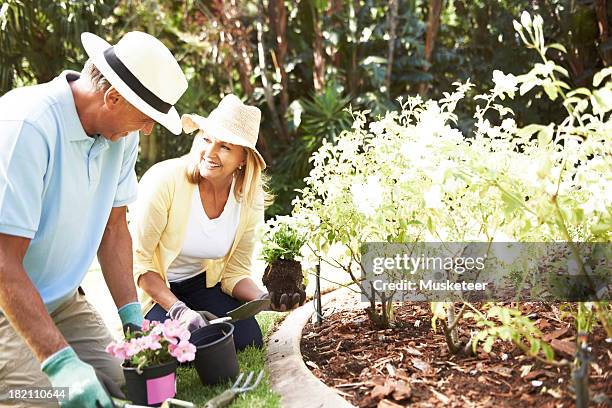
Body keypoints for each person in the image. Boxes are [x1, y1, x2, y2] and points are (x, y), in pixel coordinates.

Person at [0, 31, 188, 408]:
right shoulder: (27, 126)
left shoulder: (121, 133)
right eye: (147, 117)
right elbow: (3, 263)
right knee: (51, 399)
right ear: (113, 97)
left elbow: (115, 230)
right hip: (6, 308)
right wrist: (60, 362)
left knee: (134, 382)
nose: (149, 129)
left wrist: (134, 321)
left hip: (63, 302)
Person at [131, 94, 304, 351]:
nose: (210, 153)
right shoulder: (163, 181)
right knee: (177, 346)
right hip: (160, 289)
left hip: (202, 283)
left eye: (225, 147)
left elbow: (235, 273)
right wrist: (180, 311)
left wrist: (265, 299)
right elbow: (140, 264)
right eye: (206, 139)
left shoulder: (249, 198)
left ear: (243, 159)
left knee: (247, 338)